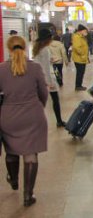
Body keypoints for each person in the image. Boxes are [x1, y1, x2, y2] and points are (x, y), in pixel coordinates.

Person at [0, 35, 48, 207]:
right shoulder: (35, 68)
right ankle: (28, 195)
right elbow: (43, 91)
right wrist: (39, 106)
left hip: (9, 115)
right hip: (32, 114)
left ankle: (13, 180)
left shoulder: (1, 69)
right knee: (30, 154)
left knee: (11, 151)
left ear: (8, 48)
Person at [33, 29, 67, 128]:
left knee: (39, 102)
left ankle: (36, 122)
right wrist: (49, 82)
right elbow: (46, 68)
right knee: (55, 100)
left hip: (38, 78)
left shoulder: (37, 49)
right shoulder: (45, 50)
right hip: (46, 79)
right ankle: (59, 121)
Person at [72, 24, 89, 91]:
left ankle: (79, 85)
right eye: (85, 31)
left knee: (81, 72)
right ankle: (78, 86)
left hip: (81, 58)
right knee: (80, 72)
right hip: (79, 58)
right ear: (81, 31)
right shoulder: (77, 37)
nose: (86, 32)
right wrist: (82, 54)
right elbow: (76, 47)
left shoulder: (81, 37)